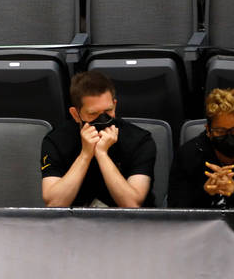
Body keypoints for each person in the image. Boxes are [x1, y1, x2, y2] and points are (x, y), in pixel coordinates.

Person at [41, 70, 155, 208]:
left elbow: (132, 204)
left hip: (128, 224)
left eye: (108, 111)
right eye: (93, 113)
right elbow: (54, 204)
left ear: (115, 105)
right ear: (76, 114)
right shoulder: (56, 141)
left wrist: (102, 154)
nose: (103, 119)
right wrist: (85, 155)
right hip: (74, 222)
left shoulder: (140, 141)